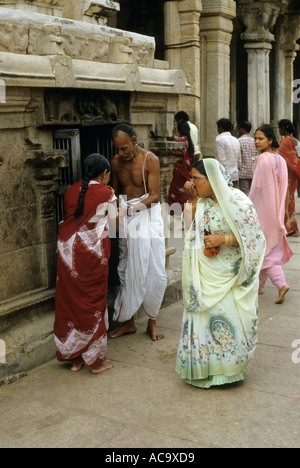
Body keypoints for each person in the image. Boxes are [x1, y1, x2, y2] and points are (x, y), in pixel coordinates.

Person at [176, 159, 266, 389]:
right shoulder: (202, 201)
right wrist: (193, 199)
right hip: (205, 273)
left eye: (197, 179)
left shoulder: (238, 201)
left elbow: (254, 238)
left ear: (213, 178)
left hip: (230, 276)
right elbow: (190, 230)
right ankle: (203, 369)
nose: (192, 183)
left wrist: (222, 239)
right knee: (204, 319)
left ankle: (229, 371)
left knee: (228, 318)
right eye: (192, 178)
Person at [54, 153, 117, 374]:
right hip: (90, 255)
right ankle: (97, 362)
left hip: (67, 252)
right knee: (93, 302)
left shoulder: (72, 190)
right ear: (104, 173)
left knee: (71, 302)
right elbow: (114, 223)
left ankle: (74, 359)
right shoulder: (106, 193)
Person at [109, 123, 167, 341]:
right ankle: (128, 322)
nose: (121, 153)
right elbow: (115, 193)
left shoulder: (150, 160)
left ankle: (152, 322)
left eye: (124, 148)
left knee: (154, 269)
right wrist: (113, 212)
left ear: (134, 141)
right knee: (126, 269)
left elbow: (155, 196)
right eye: (118, 149)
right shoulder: (115, 162)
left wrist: (132, 209)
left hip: (147, 216)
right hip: (127, 220)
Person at [249, 125, 293, 304]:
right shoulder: (279, 159)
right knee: (265, 247)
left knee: (264, 251)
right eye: (256, 138)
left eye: (261, 138)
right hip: (276, 209)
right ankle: (259, 286)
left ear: (270, 140)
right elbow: (284, 186)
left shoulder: (262, 160)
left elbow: (257, 188)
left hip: (262, 210)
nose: (257, 142)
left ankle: (281, 284)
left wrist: (246, 207)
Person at [278, 119, 300, 237]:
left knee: (287, 200)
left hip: (288, 174)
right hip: (292, 174)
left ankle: (291, 227)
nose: (279, 130)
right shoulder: (293, 140)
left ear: (284, 128)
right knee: (289, 200)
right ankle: (291, 227)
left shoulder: (285, 140)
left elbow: (281, 154)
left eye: (280, 128)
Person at [168, 120, 194, 210]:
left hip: (180, 170)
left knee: (176, 191)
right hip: (187, 170)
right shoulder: (190, 141)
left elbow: (172, 152)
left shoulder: (180, 140)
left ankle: (179, 210)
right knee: (184, 192)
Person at [215, 118, 242, 188]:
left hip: (224, 175)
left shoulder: (219, 139)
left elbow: (221, 160)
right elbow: (239, 160)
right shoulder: (236, 140)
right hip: (235, 174)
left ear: (220, 128)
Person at [238, 121, 257, 196]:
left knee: (245, 193)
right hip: (252, 171)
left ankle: (248, 206)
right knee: (252, 192)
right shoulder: (254, 141)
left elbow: (238, 157)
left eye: (239, 129)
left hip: (243, 172)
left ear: (242, 129)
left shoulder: (239, 141)